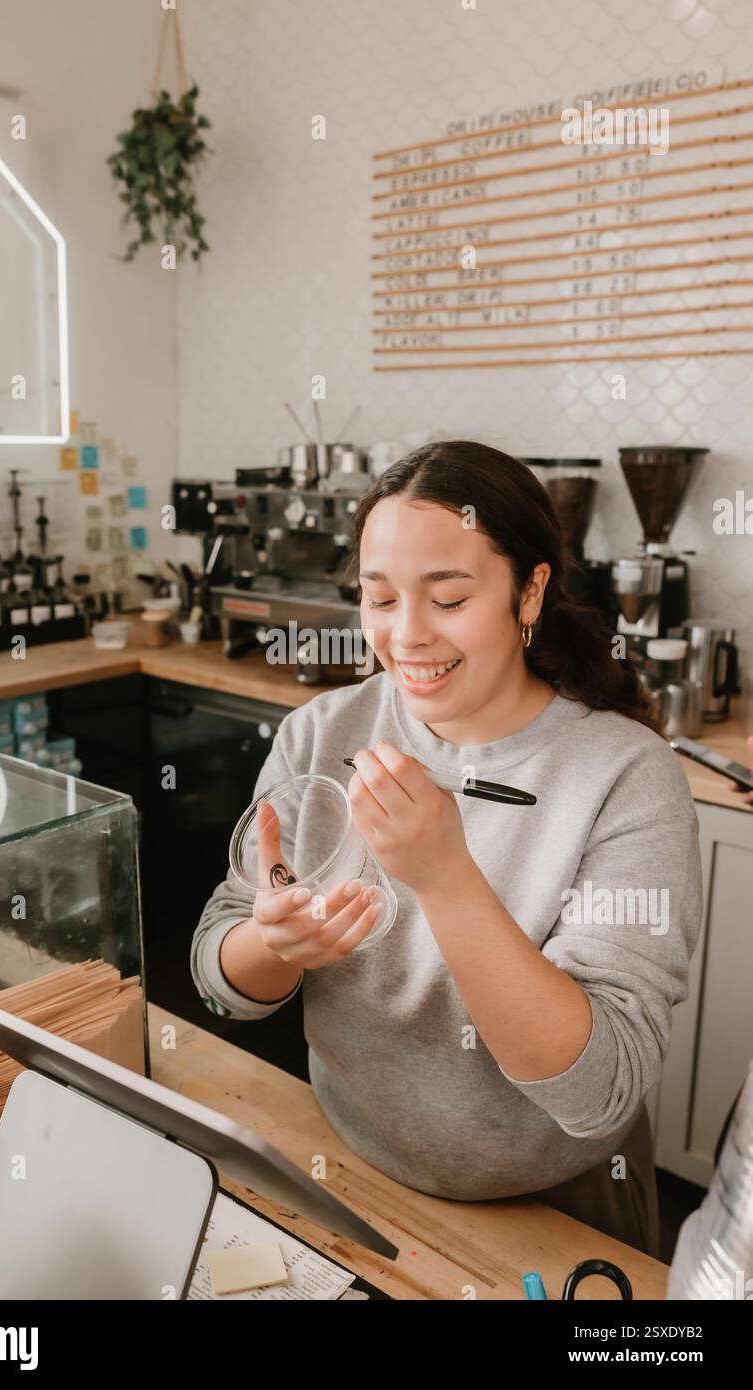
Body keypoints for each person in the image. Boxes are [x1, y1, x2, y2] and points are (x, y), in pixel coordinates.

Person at [191, 441, 703, 1258]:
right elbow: (221, 979)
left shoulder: (628, 778)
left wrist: (448, 880)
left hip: (557, 1212)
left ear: (529, 590)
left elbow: (600, 1087)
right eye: (380, 597)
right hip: (347, 1170)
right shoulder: (321, 733)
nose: (407, 635)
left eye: (450, 597)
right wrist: (272, 945)